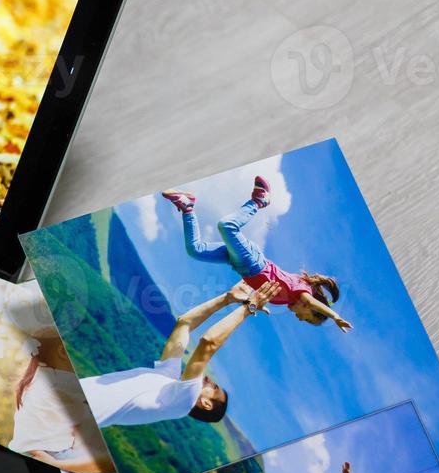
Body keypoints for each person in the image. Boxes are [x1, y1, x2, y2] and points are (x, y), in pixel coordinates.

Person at [161, 177, 352, 332]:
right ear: (311, 308)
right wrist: (335, 317)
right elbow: (309, 300)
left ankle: (187, 206)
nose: (301, 320)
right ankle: (259, 200)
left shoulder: (284, 299)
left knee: (196, 250)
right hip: (252, 260)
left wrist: (254, 302)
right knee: (227, 226)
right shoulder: (302, 292)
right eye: (309, 319)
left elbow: (259, 287)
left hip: (239, 264)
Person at [82, 282, 281, 429]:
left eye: (214, 387)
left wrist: (248, 308)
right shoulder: (166, 382)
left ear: (205, 403)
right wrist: (226, 298)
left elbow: (208, 344)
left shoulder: (183, 402)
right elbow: (184, 324)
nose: (210, 380)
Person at [8, 329, 111, 473]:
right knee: (110, 461)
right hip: (50, 455)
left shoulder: (35, 376)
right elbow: (102, 395)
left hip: (24, 448)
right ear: (63, 351)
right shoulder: (62, 381)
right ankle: (60, 467)